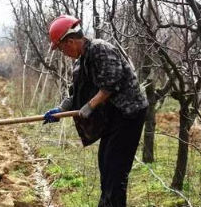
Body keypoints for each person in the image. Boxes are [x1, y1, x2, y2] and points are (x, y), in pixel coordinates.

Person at [43, 15, 149, 207]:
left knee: (115, 171)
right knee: (106, 165)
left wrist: (90, 106)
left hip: (129, 113)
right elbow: (75, 96)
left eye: (60, 48)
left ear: (71, 42)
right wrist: (59, 110)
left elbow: (111, 84)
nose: (62, 53)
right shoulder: (81, 62)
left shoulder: (101, 49)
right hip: (113, 117)